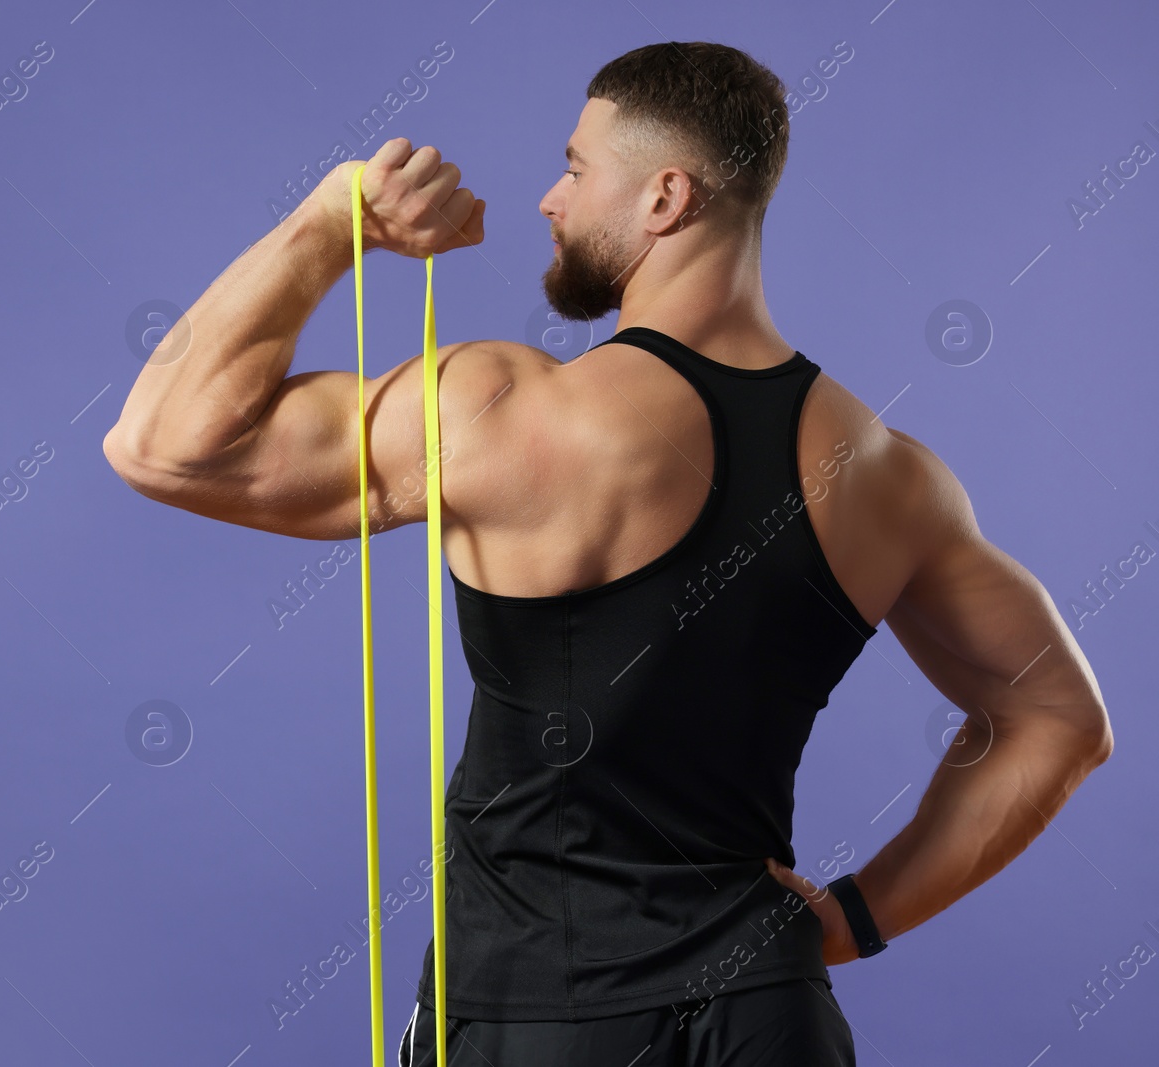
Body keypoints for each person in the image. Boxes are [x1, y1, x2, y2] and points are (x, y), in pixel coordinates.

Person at [103, 39, 1113, 1067]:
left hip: (534, 1021)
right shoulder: (891, 474)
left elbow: (164, 445)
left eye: (578, 168)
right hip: (768, 1015)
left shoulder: (502, 408)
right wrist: (851, 917)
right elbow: (1057, 719)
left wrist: (332, 220)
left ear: (664, 197)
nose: (550, 197)